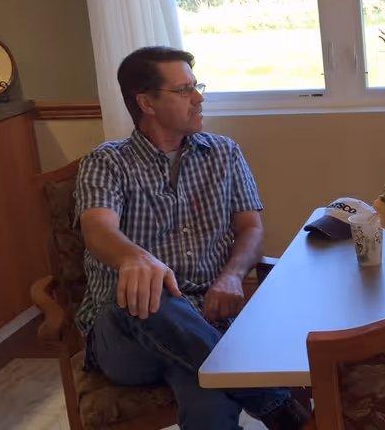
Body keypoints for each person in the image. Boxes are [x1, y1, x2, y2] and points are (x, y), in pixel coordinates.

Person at [75, 47, 309, 430]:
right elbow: (97, 228)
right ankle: (278, 405)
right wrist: (136, 259)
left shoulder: (224, 152)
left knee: (209, 399)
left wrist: (232, 276)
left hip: (205, 322)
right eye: (184, 90)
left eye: (196, 86)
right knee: (149, 293)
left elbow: (251, 229)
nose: (199, 98)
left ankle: (268, 402)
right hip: (125, 333)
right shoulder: (107, 161)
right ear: (146, 102)